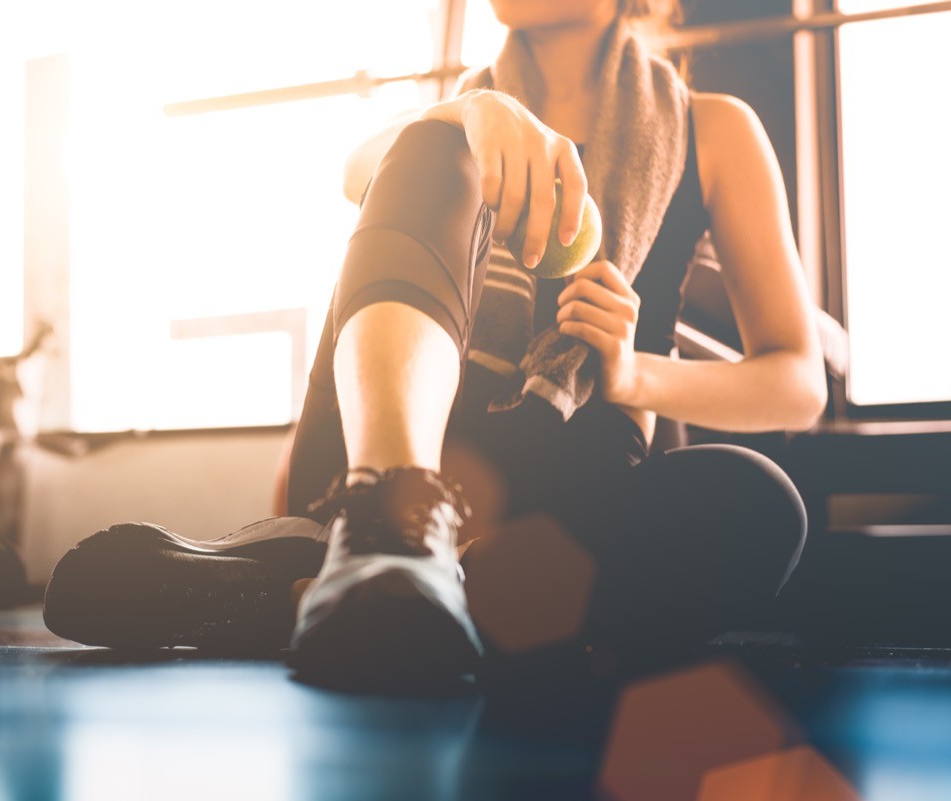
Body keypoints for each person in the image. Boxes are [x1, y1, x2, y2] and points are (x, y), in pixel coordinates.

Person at [43, 0, 824, 685]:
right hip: (378, 463)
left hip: (564, 491)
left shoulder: (713, 127)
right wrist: (469, 114)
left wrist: (632, 375)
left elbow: (796, 379)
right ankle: (395, 534)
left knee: (759, 505)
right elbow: (355, 169)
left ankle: (311, 594)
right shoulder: (450, 121)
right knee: (430, 142)